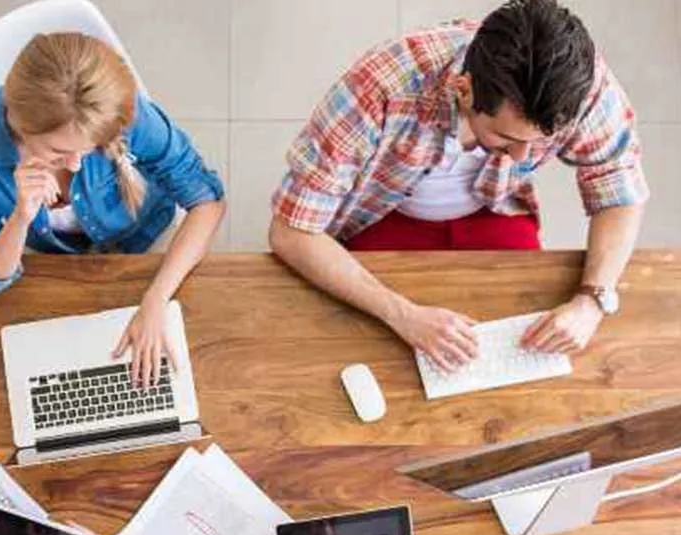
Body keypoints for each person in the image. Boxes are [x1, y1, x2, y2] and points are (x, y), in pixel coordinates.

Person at [268, 0, 648, 372]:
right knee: (369, 355)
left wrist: (592, 300)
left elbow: (620, 187)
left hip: (496, 206)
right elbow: (291, 232)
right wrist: (403, 315)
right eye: (506, 138)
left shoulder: (580, 86)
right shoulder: (378, 88)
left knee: (528, 362)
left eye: (537, 142)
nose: (521, 157)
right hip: (382, 216)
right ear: (463, 89)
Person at [0, 31, 226, 387]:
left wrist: (156, 299)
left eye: (88, 150)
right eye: (58, 152)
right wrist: (19, 219)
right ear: (19, 122)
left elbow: (207, 201)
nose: (74, 165)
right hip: (54, 261)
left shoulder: (128, 114)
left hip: (145, 235)